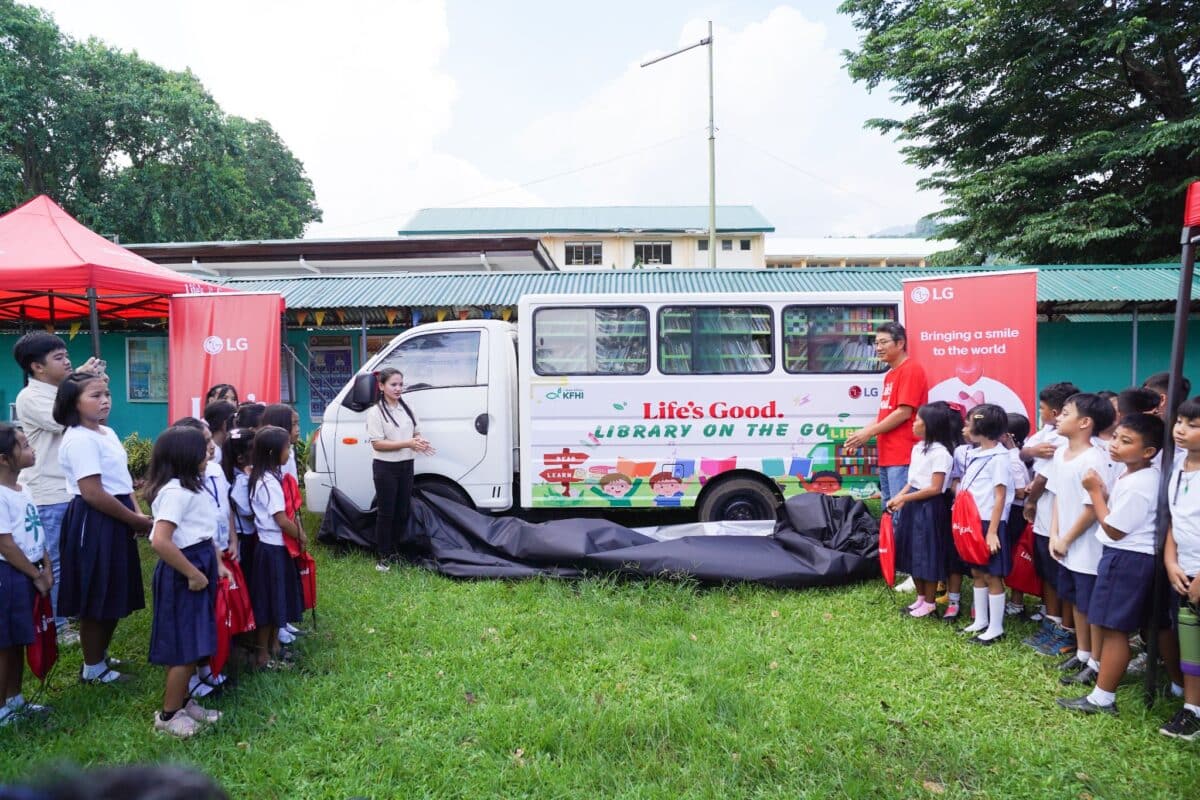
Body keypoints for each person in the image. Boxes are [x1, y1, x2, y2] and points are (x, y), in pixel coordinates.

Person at [1058, 413, 1163, 715]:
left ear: (1148, 453)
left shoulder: (1140, 482)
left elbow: (1113, 529)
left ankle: (1102, 698)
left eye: (1126, 441)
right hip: (1126, 556)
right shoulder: (1132, 475)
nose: (1115, 445)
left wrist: (1094, 493)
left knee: (1115, 630)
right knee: (1108, 625)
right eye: (1116, 437)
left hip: (1127, 557)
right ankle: (1100, 688)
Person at [54, 371, 152, 685]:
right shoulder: (79, 439)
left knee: (113, 589)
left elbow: (121, 481)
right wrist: (134, 519)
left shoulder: (105, 433)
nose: (105, 401)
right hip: (95, 519)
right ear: (74, 402)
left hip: (118, 512)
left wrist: (136, 511)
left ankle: (100, 655)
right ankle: (93, 668)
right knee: (97, 593)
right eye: (95, 396)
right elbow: (93, 492)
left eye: (106, 394)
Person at [12, 332, 104, 643]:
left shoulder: (59, 389)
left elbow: (91, 413)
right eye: (59, 358)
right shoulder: (31, 396)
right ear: (37, 366)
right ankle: (56, 626)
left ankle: (67, 614)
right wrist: (82, 381)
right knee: (55, 560)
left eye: (66, 356)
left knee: (74, 556)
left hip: (70, 489)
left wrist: (87, 384)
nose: (66, 362)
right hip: (49, 492)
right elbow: (64, 416)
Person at [142, 426, 228, 738]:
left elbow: (203, 531)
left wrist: (215, 563)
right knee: (184, 646)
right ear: (183, 456)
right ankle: (167, 715)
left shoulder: (192, 486)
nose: (209, 450)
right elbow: (161, 541)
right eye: (201, 446)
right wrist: (192, 573)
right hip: (184, 571)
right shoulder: (175, 493)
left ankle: (185, 702)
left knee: (195, 641)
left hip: (199, 561)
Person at [1047, 393, 1117, 686]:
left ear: (1085, 422)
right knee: (1077, 600)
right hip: (1067, 543)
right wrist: (1054, 534)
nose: (1058, 417)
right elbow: (1059, 497)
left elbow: (1093, 507)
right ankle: (1083, 651)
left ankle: (1096, 662)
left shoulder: (1093, 458)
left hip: (1088, 546)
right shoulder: (1062, 452)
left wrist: (1068, 538)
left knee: (1092, 607)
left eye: (1065, 413)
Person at [174, 417, 236, 698]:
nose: (212, 447)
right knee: (195, 621)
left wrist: (232, 538)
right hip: (195, 558)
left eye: (211, 440)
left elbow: (226, 505)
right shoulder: (179, 487)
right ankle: (190, 680)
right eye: (205, 442)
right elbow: (163, 539)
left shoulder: (214, 471)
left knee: (213, 613)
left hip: (217, 548)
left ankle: (208, 667)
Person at [0, 424, 53, 725]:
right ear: (4, 459)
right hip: (9, 574)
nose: (30, 447)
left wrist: (45, 566)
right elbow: (5, 545)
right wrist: (35, 573)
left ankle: (15, 699)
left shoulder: (24, 488)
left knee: (19, 637)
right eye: (22, 444)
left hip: (30, 570)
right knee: (4, 644)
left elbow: (36, 532)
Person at [1021, 381, 1078, 657]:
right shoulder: (1045, 434)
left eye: (1042, 409)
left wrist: (1030, 500)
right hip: (1045, 519)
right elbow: (1025, 452)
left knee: (1060, 576)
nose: (1040, 413)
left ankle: (1066, 632)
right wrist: (1030, 451)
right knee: (1047, 572)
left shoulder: (1063, 441)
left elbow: (1043, 476)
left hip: (1057, 515)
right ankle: (1052, 623)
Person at [886, 403, 955, 618]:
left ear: (930, 426)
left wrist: (905, 497)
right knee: (910, 550)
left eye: (918, 421)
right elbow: (912, 481)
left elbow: (935, 488)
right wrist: (899, 497)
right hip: (913, 502)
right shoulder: (918, 448)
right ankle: (921, 598)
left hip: (930, 507)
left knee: (928, 553)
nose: (914, 424)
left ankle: (931, 602)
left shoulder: (941, 453)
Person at [247, 426, 306, 669]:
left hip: (274, 547)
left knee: (276, 600)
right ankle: (263, 656)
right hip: (272, 548)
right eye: (287, 447)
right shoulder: (268, 482)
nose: (290, 450)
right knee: (269, 603)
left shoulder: (269, 475)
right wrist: (302, 535)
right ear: (273, 451)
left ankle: (274, 648)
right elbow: (281, 519)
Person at [957, 404, 1015, 644]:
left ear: (981, 427)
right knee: (976, 571)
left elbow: (1000, 496)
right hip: (971, 520)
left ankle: (996, 627)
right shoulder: (976, 453)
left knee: (992, 575)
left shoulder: (1000, 457)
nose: (966, 427)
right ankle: (980, 620)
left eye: (970, 423)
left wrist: (992, 532)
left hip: (989, 522)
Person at [366, 368, 433, 573]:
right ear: (381, 386)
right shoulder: (375, 411)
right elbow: (377, 444)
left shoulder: (408, 407)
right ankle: (383, 556)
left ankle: (396, 550)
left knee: (402, 511)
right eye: (393, 384)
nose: (398, 388)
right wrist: (409, 443)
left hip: (406, 465)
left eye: (400, 384)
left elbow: (416, 432)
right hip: (386, 467)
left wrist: (420, 442)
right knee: (386, 513)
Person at [1163, 396, 1200, 739]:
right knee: (1189, 642)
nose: (1181, 430)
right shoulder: (1178, 467)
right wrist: (1171, 561)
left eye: (1193, 425)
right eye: (1179, 422)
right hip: (1182, 571)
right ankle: (1192, 710)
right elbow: (1174, 520)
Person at [1003, 412, 1031, 617]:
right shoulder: (1011, 456)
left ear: (1007, 435)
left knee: (1016, 557)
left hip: (1015, 512)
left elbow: (1021, 491)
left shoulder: (1013, 459)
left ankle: (1016, 602)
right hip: (1012, 510)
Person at [203, 400, 237, 467]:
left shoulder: (221, 448)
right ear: (225, 424)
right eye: (235, 422)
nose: (237, 426)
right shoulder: (215, 453)